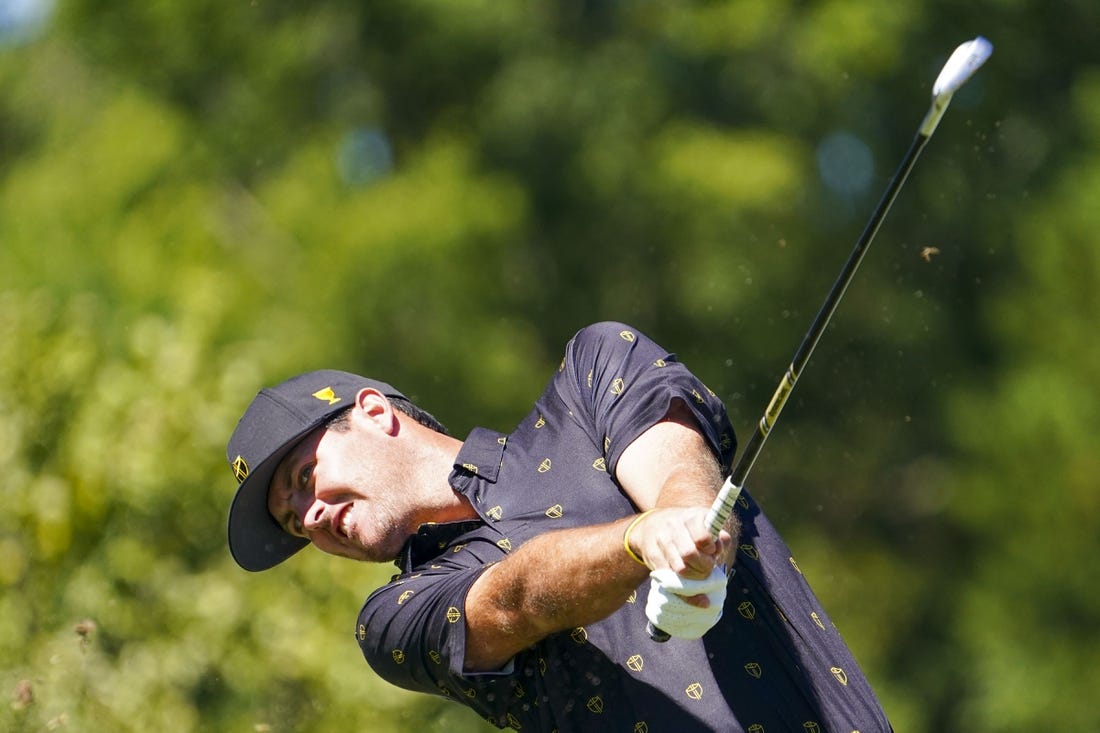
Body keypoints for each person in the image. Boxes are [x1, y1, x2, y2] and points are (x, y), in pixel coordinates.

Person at [226, 322, 893, 732]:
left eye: (304, 477)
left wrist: (689, 521)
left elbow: (675, 467)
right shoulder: (395, 618)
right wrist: (640, 540)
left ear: (373, 412)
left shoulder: (591, 375)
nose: (310, 516)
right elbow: (519, 595)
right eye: (293, 518)